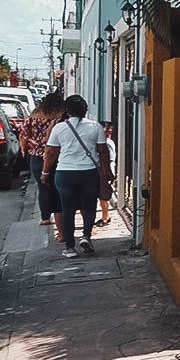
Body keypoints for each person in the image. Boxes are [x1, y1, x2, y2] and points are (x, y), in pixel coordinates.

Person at [42, 95, 112, 258]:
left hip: (65, 173)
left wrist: (45, 172)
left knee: (67, 210)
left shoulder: (59, 128)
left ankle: (69, 247)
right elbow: (103, 151)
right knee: (88, 206)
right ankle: (86, 236)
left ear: (67, 111)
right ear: (85, 110)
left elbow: (51, 152)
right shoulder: (95, 127)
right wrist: (106, 170)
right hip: (89, 173)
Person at [19, 91, 66, 240]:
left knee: (43, 187)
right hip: (57, 155)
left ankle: (46, 216)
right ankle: (60, 214)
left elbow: (23, 135)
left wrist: (24, 151)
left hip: (37, 157)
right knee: (58, 187)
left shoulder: (33, 117)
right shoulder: (60, 118)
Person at [98, 121, 116, 226]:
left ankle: (105, 217)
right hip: (104, 169)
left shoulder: (107, 143)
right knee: (102, 196)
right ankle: (105, 216)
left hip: (106, 170)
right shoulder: (106, 142)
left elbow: (110, 159)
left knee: (103, 196)